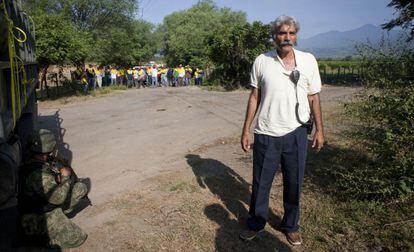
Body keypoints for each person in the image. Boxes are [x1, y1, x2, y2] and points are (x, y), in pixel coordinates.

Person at [239, 15, 324, 246]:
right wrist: (246, 129)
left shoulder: (308, 61)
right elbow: (254, 96)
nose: (287, 38)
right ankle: (256, 223)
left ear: (296, 35)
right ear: (274, 36)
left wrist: (319, 130)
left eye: (291, 33)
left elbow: (314, 97)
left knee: (294, 182)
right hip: (266, 132)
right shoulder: (262, 61)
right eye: (282, 33)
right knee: (261, 183)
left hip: (297, 132)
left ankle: (291, 226)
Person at [19, 129, 88, 248]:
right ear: (49, 148)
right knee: (77, 237)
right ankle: (43, 242)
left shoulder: (37, 162)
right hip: (35, 219)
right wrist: (65, 177)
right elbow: (58, 198)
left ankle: (57, 219)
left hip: (45, 206)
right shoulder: (36, 174)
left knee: (80, 187)